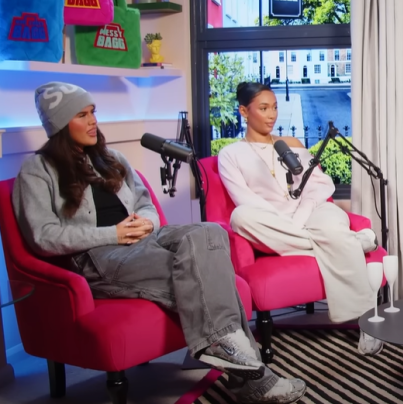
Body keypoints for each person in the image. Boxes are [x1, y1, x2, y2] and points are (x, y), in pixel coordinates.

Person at [13, 82, 306, 404]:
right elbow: (44, 237)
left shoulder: (112, 158)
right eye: (82, 115)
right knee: (209, 279)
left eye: (93, 112)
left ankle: (227, 353)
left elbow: (146, 203)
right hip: (99, 255)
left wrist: (147, 222)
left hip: (145, 237)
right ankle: (254, 379)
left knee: (209, 232)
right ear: (60, 125)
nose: (93, 121)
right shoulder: (37, 170)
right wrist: (113, 234)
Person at [218, 82, 383, 355]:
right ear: (244, 112)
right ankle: (354, 242)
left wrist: (301, 215)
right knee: (240, 217)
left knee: (332, 221)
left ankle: (367, 322)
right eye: (263, 108)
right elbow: (244, 199)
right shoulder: (231, 154)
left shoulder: (290, 144)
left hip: (312, 211)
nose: (272, 115)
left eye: (274, 108)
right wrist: (286, 220)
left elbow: (317, 186)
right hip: (271, 222)